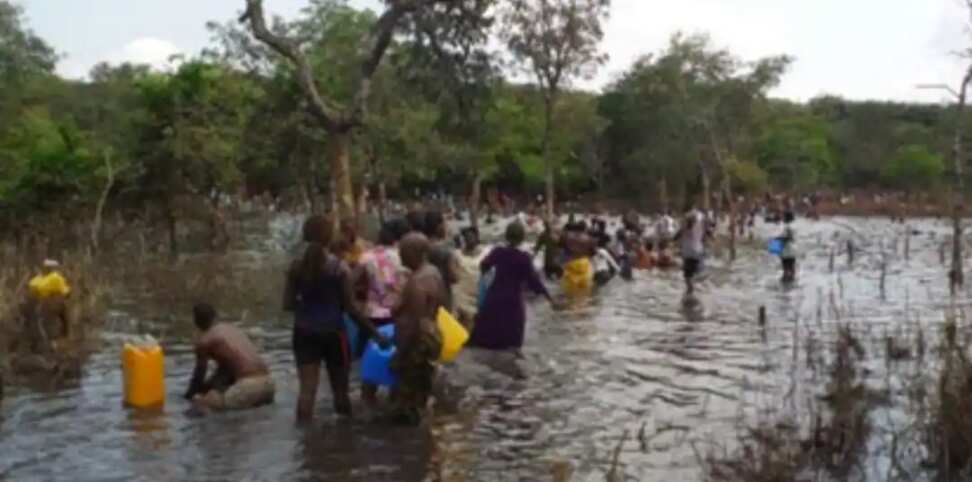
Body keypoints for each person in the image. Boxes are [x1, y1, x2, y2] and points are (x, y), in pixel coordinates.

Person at [283, 215, 387, 421]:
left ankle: (305, 445)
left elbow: (287, 305)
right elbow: (351, 309)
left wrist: (308, 304)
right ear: (329, 237)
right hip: (334, 333)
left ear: (305, 235)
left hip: (303, 332)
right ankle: (343, 445)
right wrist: (375, 334)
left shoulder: (296, 267)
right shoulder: (339, 268)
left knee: (307, 392)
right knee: (341, 393)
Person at [471, 222, 557, 351]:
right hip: (513, 304)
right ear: (522, 238)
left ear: (506, 236)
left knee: (485, 341)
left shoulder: (498, 252)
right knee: (511, 346)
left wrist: (485, 279)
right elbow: (534, 282)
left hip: (494, 299)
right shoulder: (524, 258)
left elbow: (484, 265)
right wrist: (549, 298)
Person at [391, 233, 447, 423]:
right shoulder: (434, 273)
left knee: (406, 401)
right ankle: (423, 440)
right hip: (432, 336)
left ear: (417, 253)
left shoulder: (416, 283)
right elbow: (442, 305)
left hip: (416, 344)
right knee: (422, 391)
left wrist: (399, 355)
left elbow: (413, 323)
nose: (400, 257)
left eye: (403, 252)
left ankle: (409, 446)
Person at [355, 219, 409, 405]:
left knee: (369, 370)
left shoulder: (366, 257)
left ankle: (367, 405)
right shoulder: (404, 257)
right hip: (398, 317)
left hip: (371, 319)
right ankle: (394, 404)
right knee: (399, 366)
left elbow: (353, 284)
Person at [184, 303, 275, 411]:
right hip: (269, 384)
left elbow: (198, 376)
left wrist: (188, 397)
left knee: (199, 404)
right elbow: (223, 373)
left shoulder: (204, 341)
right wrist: (208, 388)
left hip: (249, 387)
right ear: (216, 315)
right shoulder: (232, 329)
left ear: (196, 322)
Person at [423, 210, 461, 313]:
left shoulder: (421, 245)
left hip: (424, 297)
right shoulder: (446, 249)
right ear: (439, 226)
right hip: (443, 297)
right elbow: (454, 277)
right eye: (444, 223)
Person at [454, 226, 484, 328]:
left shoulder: (486, 254)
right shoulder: (456, 255)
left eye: (471, 237)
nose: (469, 239)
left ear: (477, 238)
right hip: (462, 296)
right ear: (464, 239)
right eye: (466, 237)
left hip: (477, 293)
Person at [674, 210, 706, 297]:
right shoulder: (699, 227)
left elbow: (676, 236)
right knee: (690, 276)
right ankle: (692, 292)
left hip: (690, 254)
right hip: (698, 253)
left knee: (688, 278)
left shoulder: (685, 228)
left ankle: (690, 294)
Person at [780, 211, 798, 283]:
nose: (783, 218)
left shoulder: (787, 227)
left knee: (786, 267)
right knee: (792, 266)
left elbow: (787, 237)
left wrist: (778, 240)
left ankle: (786, 281)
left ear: (787, 218)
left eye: (784, 217)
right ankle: (792, 280)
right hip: (793, 249)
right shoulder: (795, 226)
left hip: (786, 250)